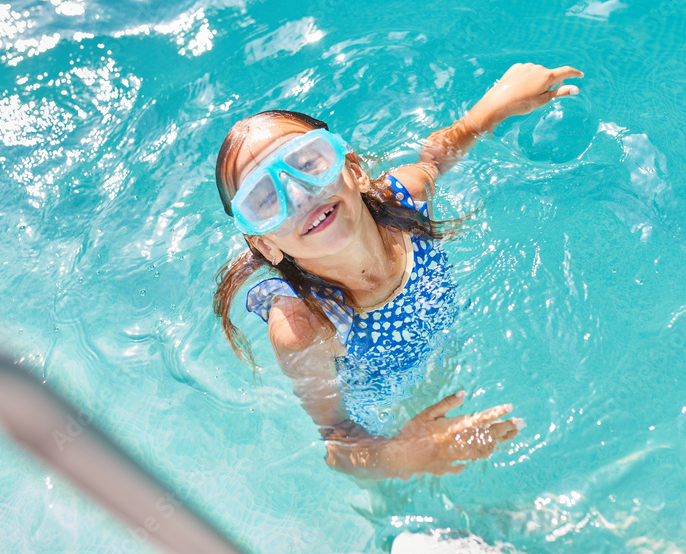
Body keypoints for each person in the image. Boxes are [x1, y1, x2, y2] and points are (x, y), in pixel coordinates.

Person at [213, 62, 584, 480]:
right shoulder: (304, 327)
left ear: (353, 170)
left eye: (307, 162)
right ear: (265, 244)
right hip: (383, 410)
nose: (299, 194)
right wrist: (405, 456)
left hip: (445, 350)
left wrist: (492, 109)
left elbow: (440, 154)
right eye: (264, 198)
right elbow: (337, 439)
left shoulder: (406, 199)